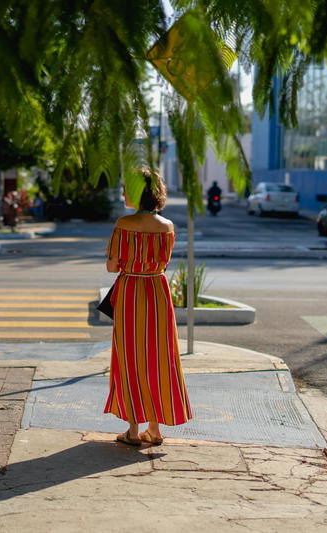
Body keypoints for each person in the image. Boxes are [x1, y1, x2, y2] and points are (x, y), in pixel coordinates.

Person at [104, 169, 192, 446]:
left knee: (130, 358)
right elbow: (164, 263)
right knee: (159, 357)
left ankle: (132, 430)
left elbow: (112, 266)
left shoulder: (124, 223)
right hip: (157, 291)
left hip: (131, 291)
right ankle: (155, 429)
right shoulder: (168, 226)